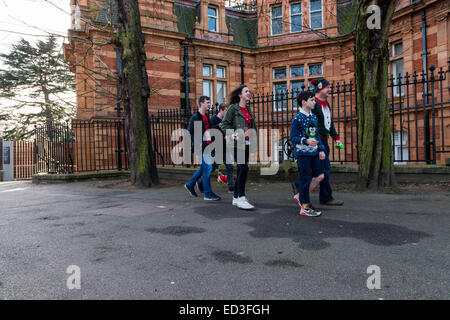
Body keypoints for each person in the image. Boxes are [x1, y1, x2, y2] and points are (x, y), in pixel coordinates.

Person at [290, 90, 326, 216]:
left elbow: (316, 135)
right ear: (304, 102)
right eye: (312, 100)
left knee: (320, 176)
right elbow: (293, 138)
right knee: (306, 179)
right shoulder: (297, 119)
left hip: (314, 153)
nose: (314, 102)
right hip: (302, 154)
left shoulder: (314, 117)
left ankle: (300, 193)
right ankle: (305, 207)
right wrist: (305, 141)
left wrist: (321, 149)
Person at [221, 84, 256, 210]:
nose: (249, 93)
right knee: (244, 168)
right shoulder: (233, 109)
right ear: (240, 95)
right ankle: (241, 197)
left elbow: (251, 126)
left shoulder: (248, 109)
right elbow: (224, 125)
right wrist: (237, 134)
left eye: (249, 91)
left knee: (242, 170)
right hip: (236, 143)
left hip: (246, 144)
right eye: (246, 91)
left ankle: (236, 198)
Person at [310, 78, 344, 206]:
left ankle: (299, 186)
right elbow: (312, 126)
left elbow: (329, 123)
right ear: (320, 89)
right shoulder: (315, 104)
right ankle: (326, 197)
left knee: (320, 169)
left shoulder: (326, 104)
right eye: (327, 88)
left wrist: (336, 138)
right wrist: (318, 145)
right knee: (324, 169)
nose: (330, 90)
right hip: (318, 141)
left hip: (324, 140)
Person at [184, 96, 221, 201]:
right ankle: (207, 193)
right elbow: (189, 132)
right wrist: (197, 143)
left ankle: (190, 184)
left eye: (210, 103)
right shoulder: (196, 117)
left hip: (208, 146)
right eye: (207, 103)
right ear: (201, 103)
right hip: (200, 147)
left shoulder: (206, 117)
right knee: (208, 168)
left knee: (204, 168)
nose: (209, 104)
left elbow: (208, 131)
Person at [210, 103, 235, 193]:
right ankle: (200, 181)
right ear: (221, 110)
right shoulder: (213, 119)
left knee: (230, 167)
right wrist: (217, 126)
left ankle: (231, 187)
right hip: (216, 149)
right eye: (226, 111)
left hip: (225, 148)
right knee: (212, 167)